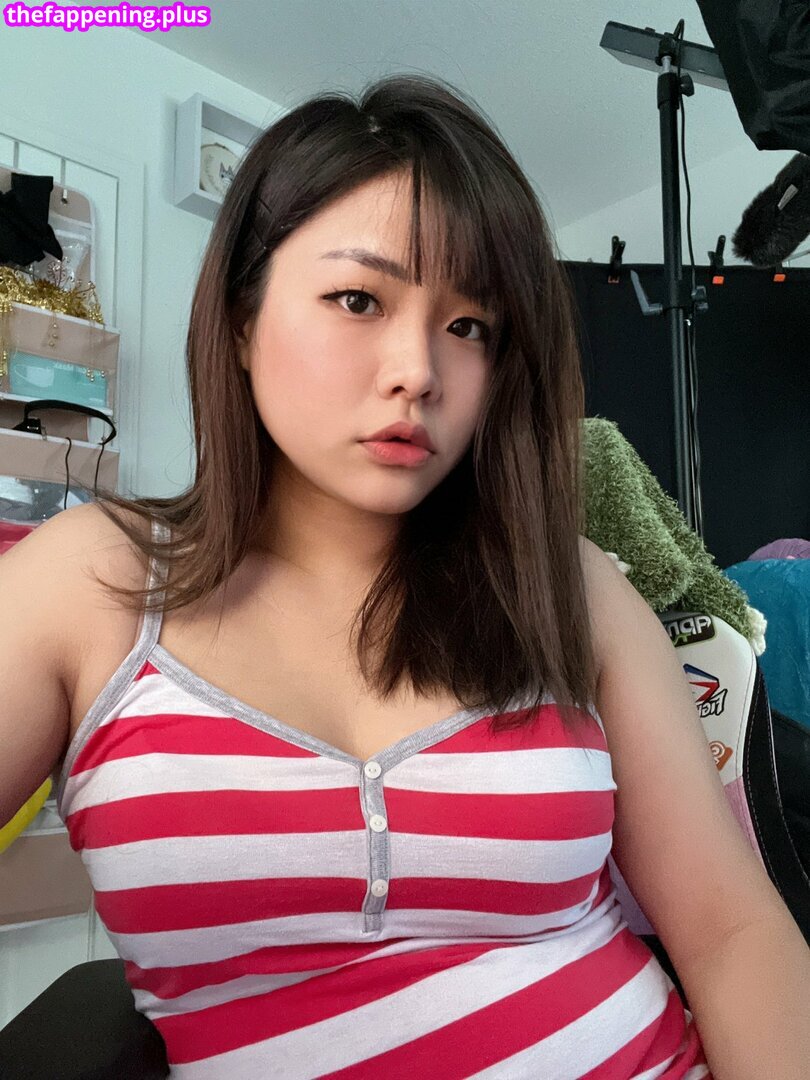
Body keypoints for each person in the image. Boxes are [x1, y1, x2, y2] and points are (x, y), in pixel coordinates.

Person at [4, 73, 805, 1079]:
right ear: (244, 317)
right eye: (358, 299)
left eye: (469, 327)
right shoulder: (91, 583)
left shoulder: (566, 583)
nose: (419, 371)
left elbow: (733, 932)